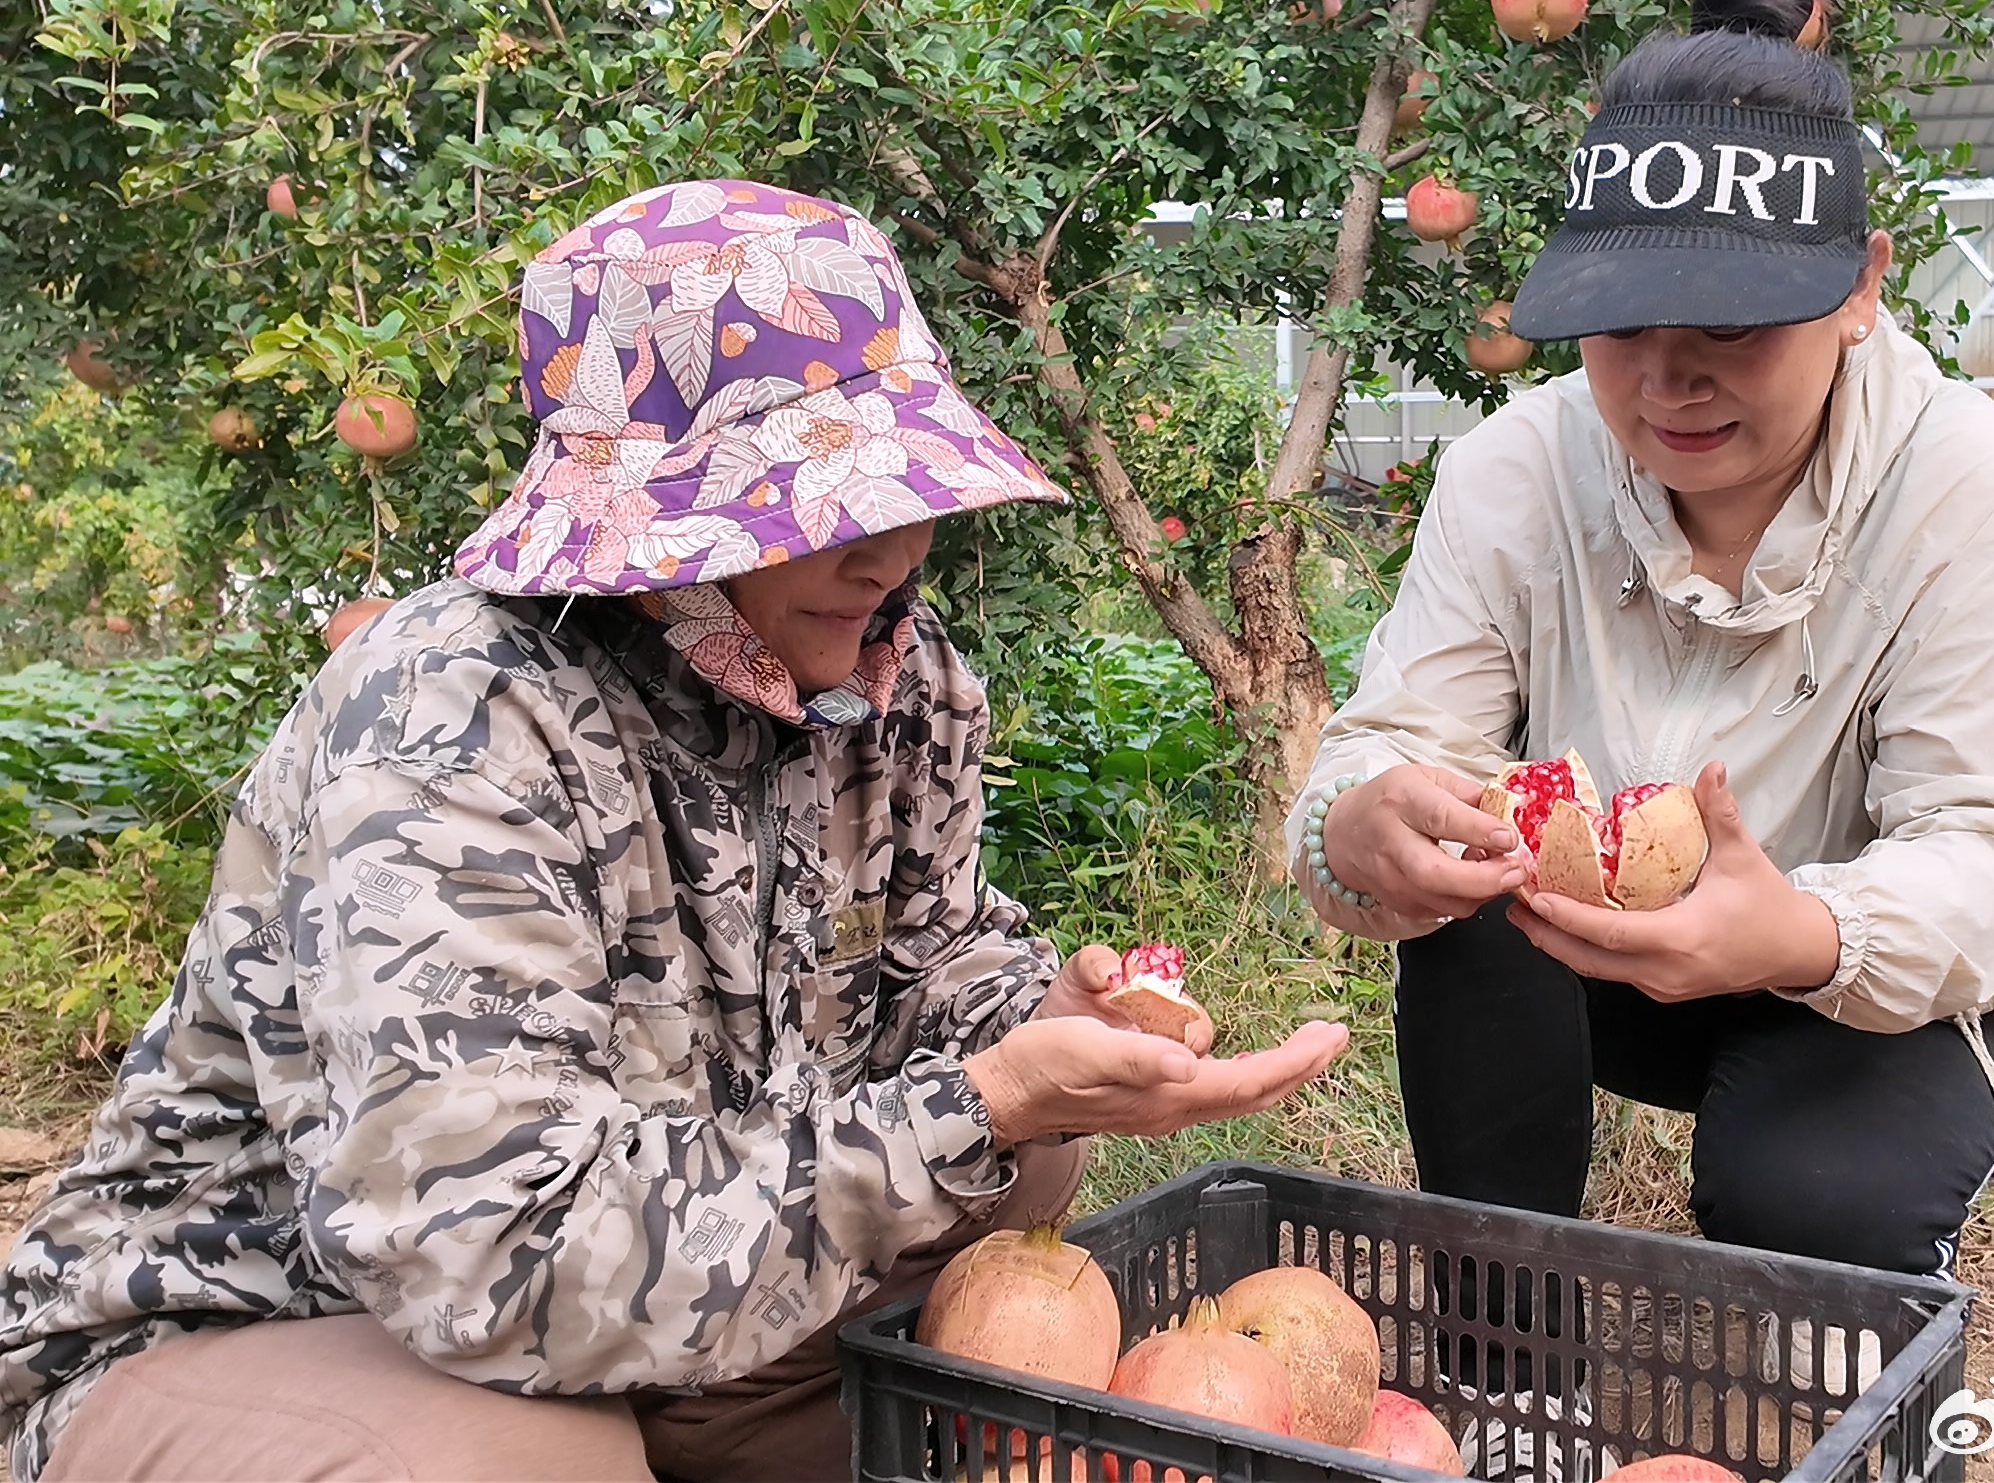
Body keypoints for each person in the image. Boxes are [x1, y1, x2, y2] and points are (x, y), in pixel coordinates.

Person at [0, 179, 1349, 1483]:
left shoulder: (900, 678)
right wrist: (972, 1103)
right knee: (506, 1473)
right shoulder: (456, 718)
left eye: (902, 500)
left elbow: (926, 962)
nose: (889, 555)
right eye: (827, 505)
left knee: (1034, 1153)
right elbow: (496, 1254)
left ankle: (736, 1435)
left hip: (673, 1263)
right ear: (658, 522)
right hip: (284, 1312)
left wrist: (1034, 1016)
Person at [1288, 0, 1994, 1282]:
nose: (1667, 381)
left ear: (1861, 285)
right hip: (1586, 941)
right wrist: (1355, 824)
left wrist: (1802, 931)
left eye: (1730, 327)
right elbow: (1397, 741)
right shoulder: (1519, 468)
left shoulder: (1976, 498)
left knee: (1815, 1197)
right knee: (1463, 900)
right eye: (1618, 326)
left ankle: (1856, 1325)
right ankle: (1508, 1358)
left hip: (1873, 974)